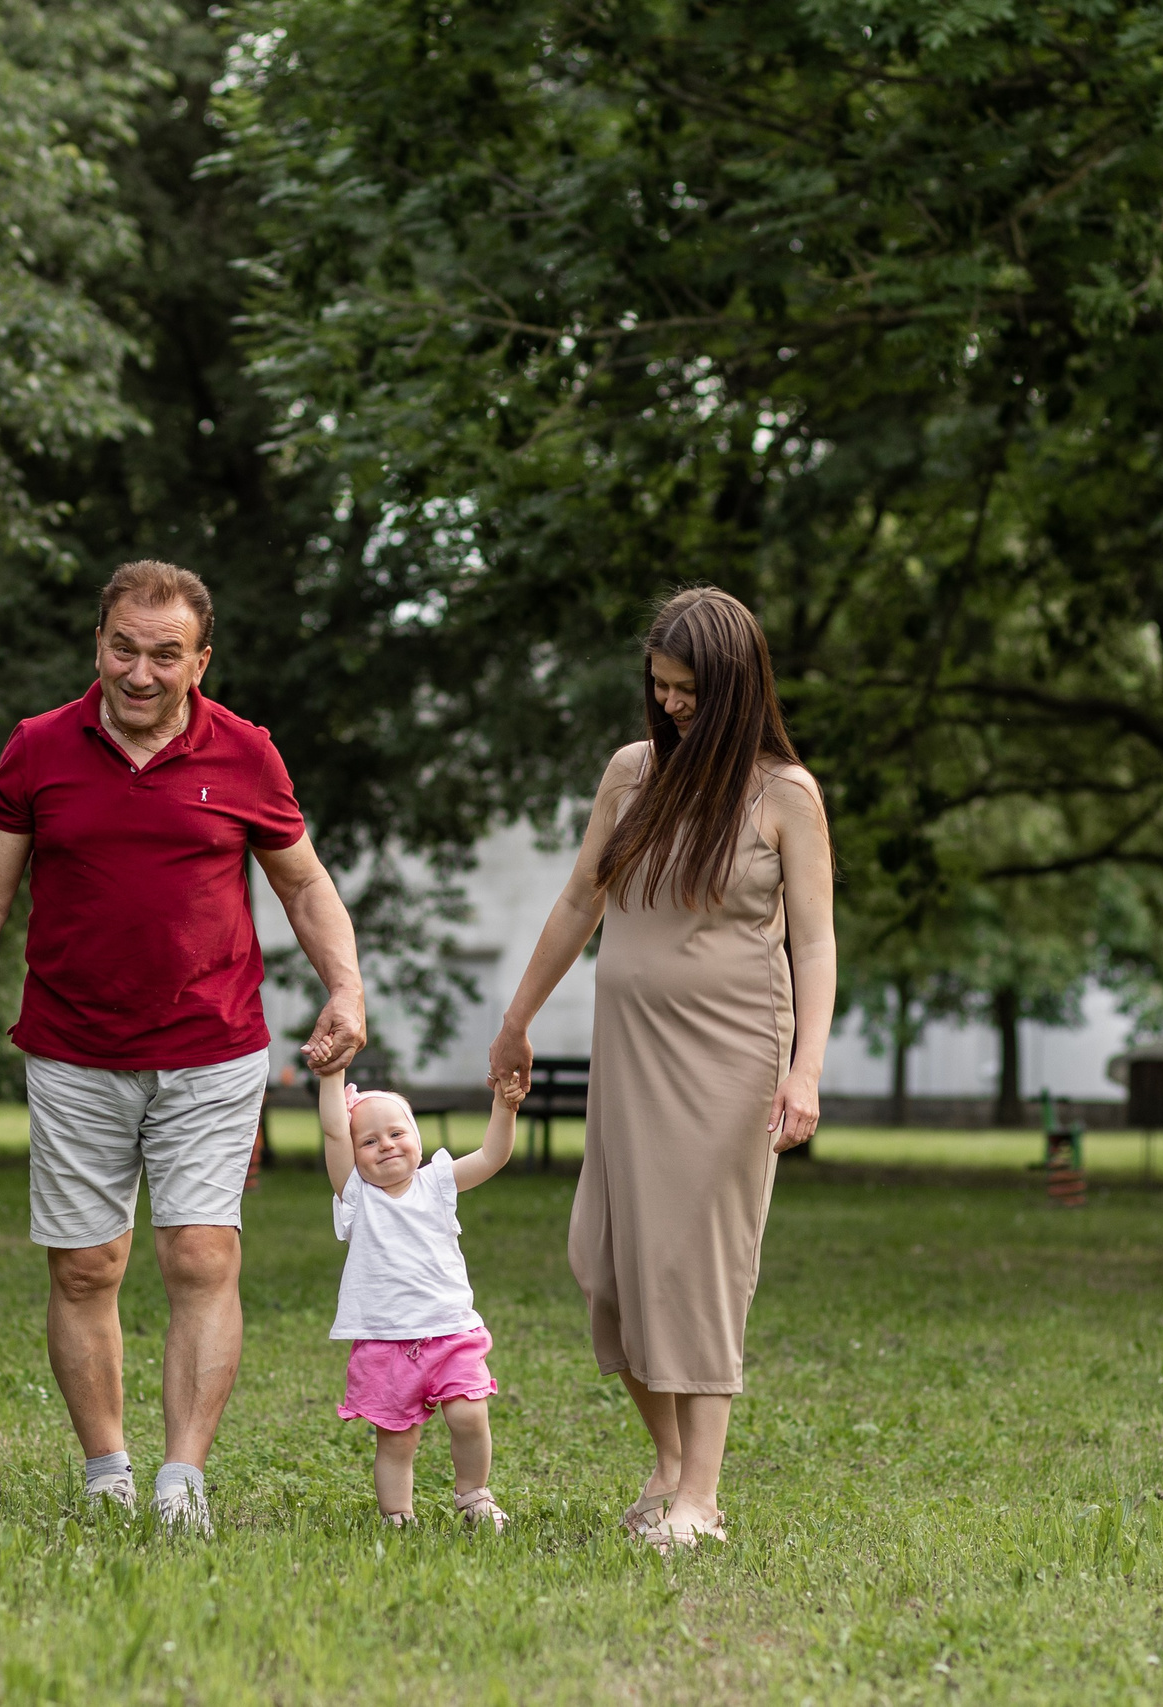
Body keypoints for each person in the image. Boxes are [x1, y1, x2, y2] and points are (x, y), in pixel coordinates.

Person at [0, 561, 365, 1534]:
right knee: (85, 1266)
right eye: (125, 647)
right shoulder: (39, 749)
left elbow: (303, 884)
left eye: (167, 654)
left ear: (202, 660)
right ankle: (107, 1470)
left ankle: (182, 1481)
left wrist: (345, 987)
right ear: (98, 644)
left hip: (211, 1047)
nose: (142, 671)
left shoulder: (246, 754)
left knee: (200, 1254)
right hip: (73, 1048)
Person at [487, 587, 837, 1553]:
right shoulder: (632, 774)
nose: (671, 702)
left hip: (734, 1060)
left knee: (697, 1271)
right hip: (631, 1057)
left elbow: (815, 944)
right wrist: (517, 1019)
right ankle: (671, 1464)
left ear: (734, 688)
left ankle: (700, 1497)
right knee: (603, 1264)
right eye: (660, 684)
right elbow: (576, 903)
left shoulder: (783, 796)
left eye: (688, 688)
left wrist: (805, 1071)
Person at [319, 1069, 523, 1531]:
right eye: (368, 1142)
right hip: (386, 1343)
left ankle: (473, 1495)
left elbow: (493, 1156)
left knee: (470, 1415)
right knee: (396, 1442)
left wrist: (504, 1108)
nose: (386, 1145)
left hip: (451, 1332)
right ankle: (398, 1516)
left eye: (396, 1133)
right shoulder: (356, 1197)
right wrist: (333, 1076)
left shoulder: (438, 1183)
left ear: (417, 1137)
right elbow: (333, 1128)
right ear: (353, 1157)